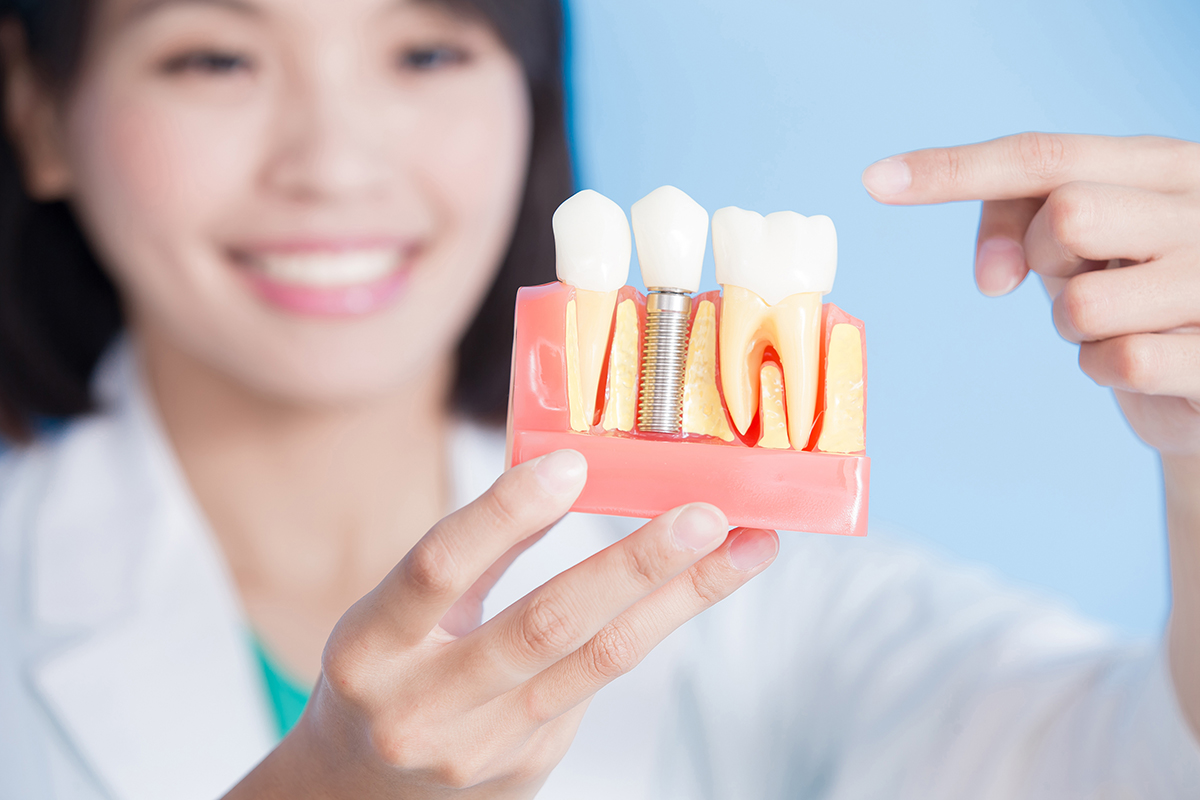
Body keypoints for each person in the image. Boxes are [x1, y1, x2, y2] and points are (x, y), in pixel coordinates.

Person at [0, 0, 1196, 797]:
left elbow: (1127, 763)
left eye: (426, 51)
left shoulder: (749, 591)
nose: (335, 162)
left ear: (531, 93)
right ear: (38, 110)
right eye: (214, 56)